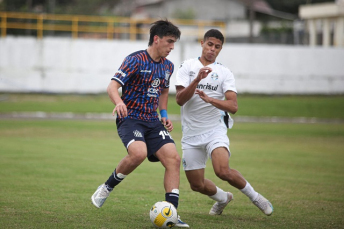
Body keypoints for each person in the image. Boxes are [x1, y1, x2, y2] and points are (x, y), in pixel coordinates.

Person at [91, 19, 189, 228]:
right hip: (130, 117)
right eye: (169, 42)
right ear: (156, 39)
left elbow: (163, 90)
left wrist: (163, 113)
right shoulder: (135, 60)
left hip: (152, 121)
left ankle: (171, 213)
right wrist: (118, 102)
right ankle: (107, 187)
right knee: (138, 153)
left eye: (174, 43)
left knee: (173, 159)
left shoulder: (168, 66)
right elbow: (112, 86)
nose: (172, 47)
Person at [175, 29, 273, 217]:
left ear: (220, 49)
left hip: (214, 131)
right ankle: (223, 198)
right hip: (191, 135)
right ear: (202, 43)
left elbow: (233, 106)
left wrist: (211, 100)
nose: (212, 49)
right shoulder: (187, 66)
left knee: (222, 170)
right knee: (196, 185)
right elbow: (180, 99)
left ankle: (256, 197)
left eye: (217, 47)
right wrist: (197, 80)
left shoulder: (224, 72)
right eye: (210, 44)